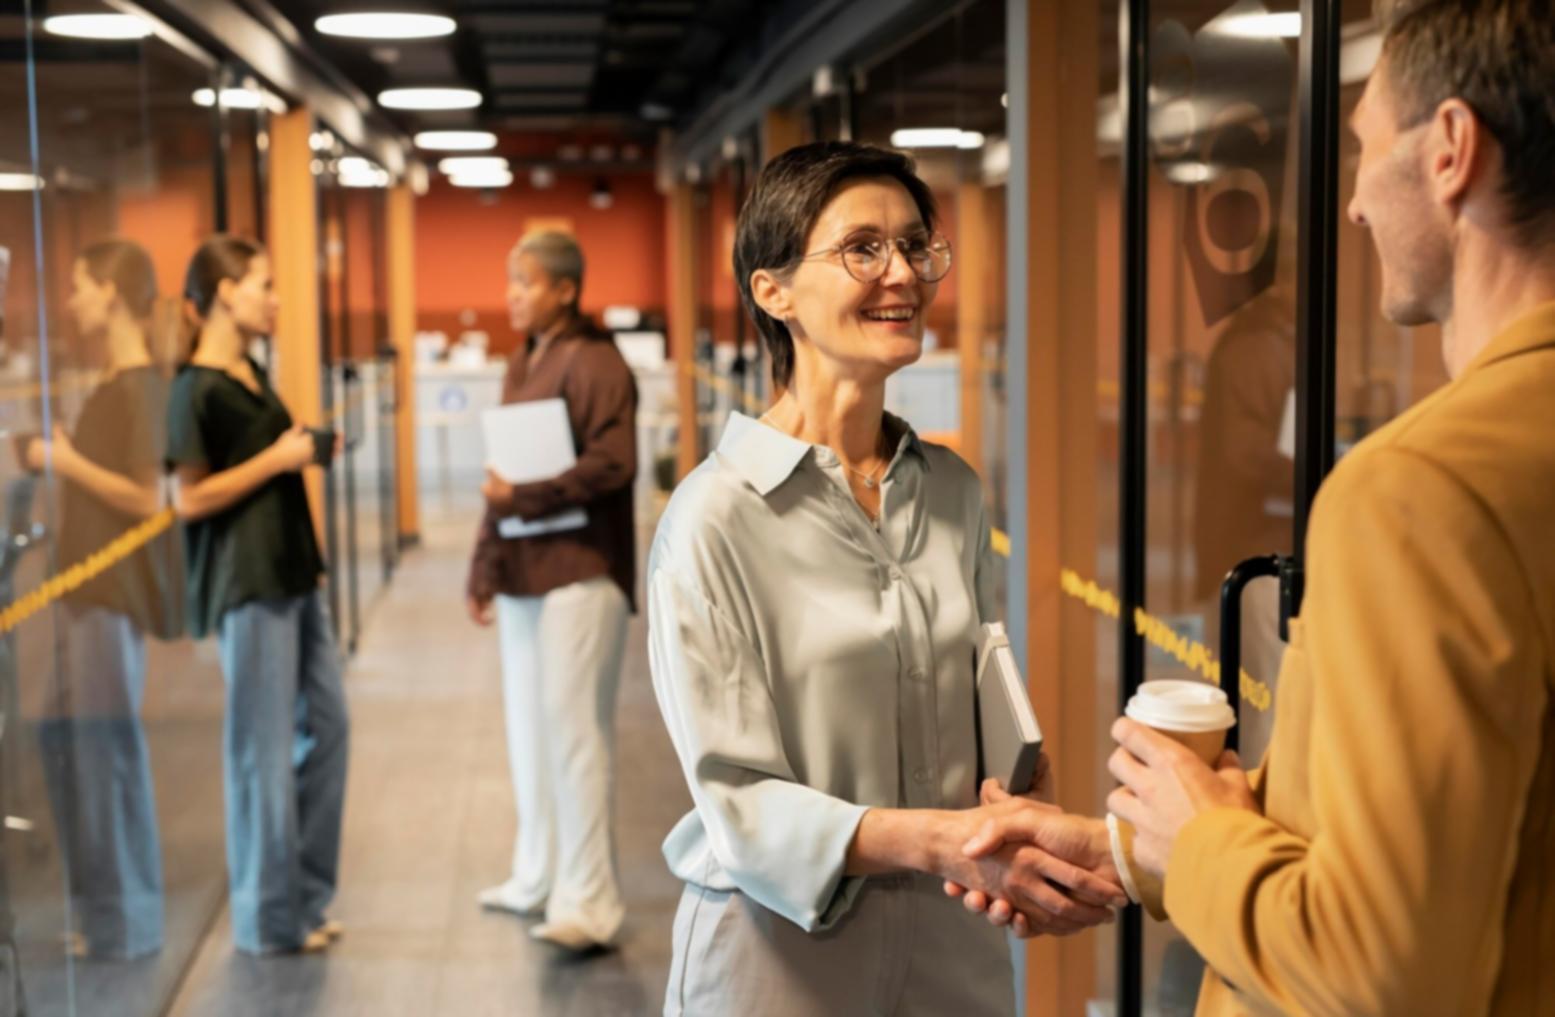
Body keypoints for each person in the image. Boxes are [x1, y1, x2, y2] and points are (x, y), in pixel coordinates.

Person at [968, 2, 1555, 1013]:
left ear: (1453, 149)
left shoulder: (1418, 492)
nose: (1357, 205)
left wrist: (1194, 838)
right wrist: (1136, 851)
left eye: (1365, 149)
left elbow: (1385, 968)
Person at [646, 141, 1126, 1016]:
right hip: (777, 962)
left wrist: (1013, 816)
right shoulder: (712, 518)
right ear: (772, 289)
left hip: (952, 952)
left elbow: (979, 698)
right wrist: (944, 840)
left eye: (915, 244)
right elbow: (739, 805)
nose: (901, 272)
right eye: (862, 248)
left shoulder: (951, 490)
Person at [166, 235, 349, 955]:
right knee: (261, 751)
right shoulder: (195, 387)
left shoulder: (250, 370)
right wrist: (278, 456)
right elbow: (188, 498)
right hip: (248, 584)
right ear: (223, 295)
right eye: (263, 285)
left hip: (293, 573)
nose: (275, 299)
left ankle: (302, 897)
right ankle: (267, 918)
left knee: (328, 728)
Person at [465, 229, 638, 952]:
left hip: (579, 574)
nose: (512, 294)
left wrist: (525, 496)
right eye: (510, 281)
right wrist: (484, 565)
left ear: (566, 290)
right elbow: (499, 480)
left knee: (574, 738)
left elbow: (614, 462)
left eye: (526, 282)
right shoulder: (523, 360)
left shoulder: (596, 363)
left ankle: (590, 902)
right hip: (524, 575)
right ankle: (536, 875)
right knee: (528, 732)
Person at [29, 238, 181, 959]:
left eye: (80, 287)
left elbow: (151, 499)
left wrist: (64, 459)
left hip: (111, 593)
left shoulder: (141, 386)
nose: (71, 300)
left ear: (112, 293)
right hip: (80, 591)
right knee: (65, 741)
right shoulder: (115, 382)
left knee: (107, 751)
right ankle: (101, 916)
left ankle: (130, 922)